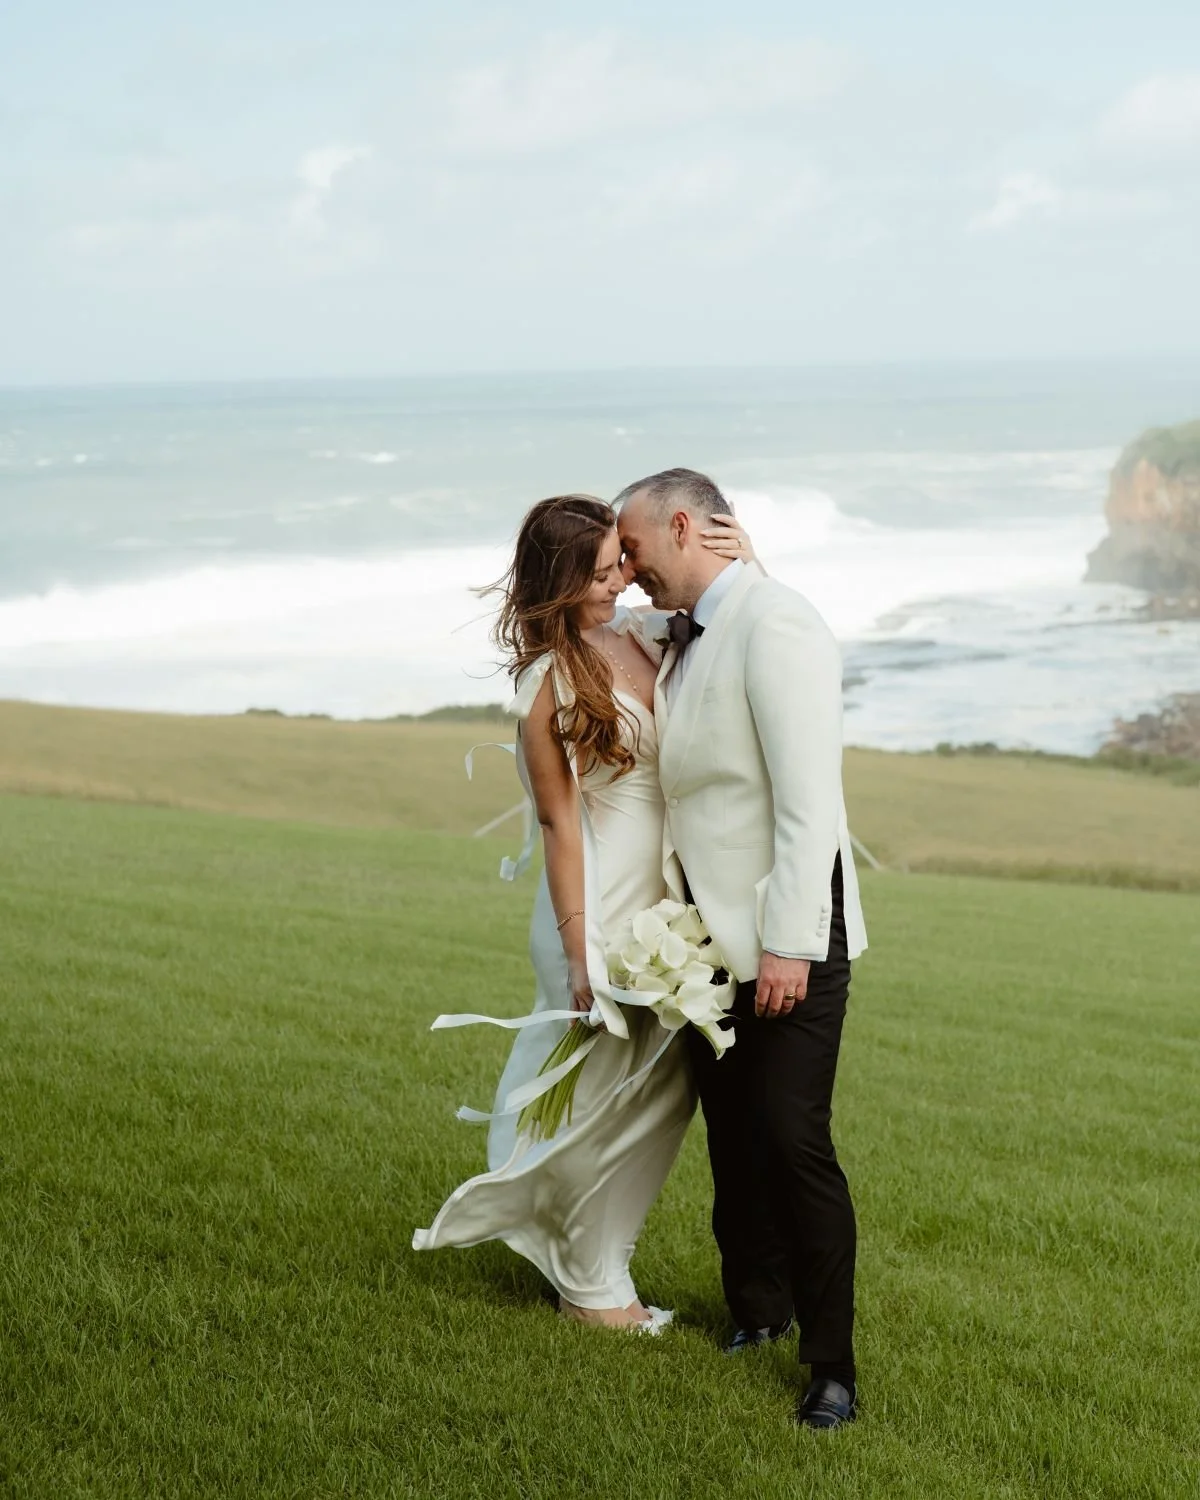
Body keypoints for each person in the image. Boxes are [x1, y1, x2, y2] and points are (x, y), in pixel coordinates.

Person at [413, 494, 754, 1331]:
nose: (622, 583)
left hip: (666, 897)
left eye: (622, 566)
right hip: (595, 906)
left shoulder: (638, 636)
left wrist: (745, 559)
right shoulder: (548, 681)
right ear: (562, 582)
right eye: (603, 574)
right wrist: (578, 952)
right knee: (600, 1090)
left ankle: (592, 1259)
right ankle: (592, 1286)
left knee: (662, 1093)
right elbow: (559, 822)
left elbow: (742, 634)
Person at [616, 468, 868, 1430]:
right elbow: (610, 627)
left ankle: (832, 1367)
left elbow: (811, 805)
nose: (629, 572)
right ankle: (756, 1312)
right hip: (702, 942)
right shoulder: (683, 630)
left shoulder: (778, 623)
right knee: (733, 1135)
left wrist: (789, 947)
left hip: (787, 933)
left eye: (636, 550)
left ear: (685, 525)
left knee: (793, 1140)